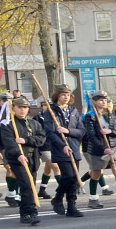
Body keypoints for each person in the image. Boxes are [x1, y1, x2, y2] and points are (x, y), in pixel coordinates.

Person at [82, 92, 116, 209]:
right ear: (94, 102)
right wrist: (103, 148)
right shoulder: (90, 116)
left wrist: (110, 132)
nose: (103, 102)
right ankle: (93, 199)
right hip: (98, 150)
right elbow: (91, 136)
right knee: (96, 173)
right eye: (100, 100)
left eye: (105, 100)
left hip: (112, 148)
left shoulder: (109, 115)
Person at [39, 84, 84, 218]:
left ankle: (71, 206)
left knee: (74, 179)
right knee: (68, 176)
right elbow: (50, 133)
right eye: (63, 94)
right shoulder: (51, 112)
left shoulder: (74, 111)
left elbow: (81, 130)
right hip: (60, 150)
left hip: (74, 148)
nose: (66, 97)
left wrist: (68, 131)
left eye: (68, 94)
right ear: (57, 96)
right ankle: (58, 198)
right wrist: (62, 145)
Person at [0, 95, 45, 224]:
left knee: (31, 185)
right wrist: (18, 154)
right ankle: (28, 213)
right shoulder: (8, 124)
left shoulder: (34, 123)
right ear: (13, 108)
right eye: (20, 107)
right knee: (26, 185)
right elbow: (9, 142)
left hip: (32, 158)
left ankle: (28, 210)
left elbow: (41, 138)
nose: (23, 110)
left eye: (25, 107)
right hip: (18, 159)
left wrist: (26, 140)